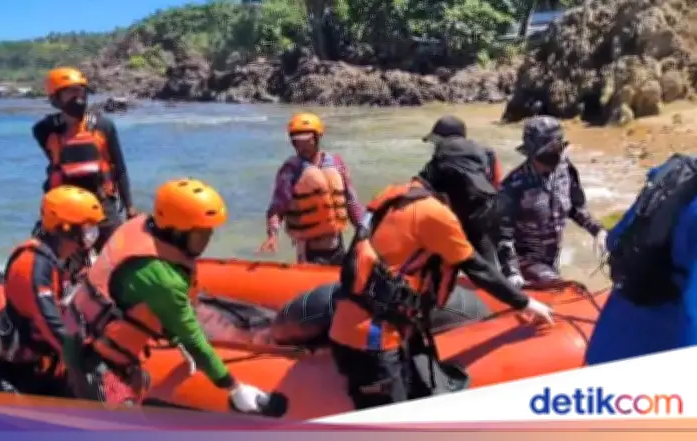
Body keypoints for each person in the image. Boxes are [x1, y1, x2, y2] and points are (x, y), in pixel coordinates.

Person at [328, 175, 554, 410]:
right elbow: (476, 267)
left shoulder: (399, 198)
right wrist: (526, 303)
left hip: (359, 330)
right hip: (373, 342)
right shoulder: (436, 214)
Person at [64, 178, 272, 413]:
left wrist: (173, 338)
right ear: (177, 231)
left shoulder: (140, 226)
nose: (209, 238)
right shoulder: (162, 280)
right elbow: (193, 338)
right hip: (95, 360)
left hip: (83, 338)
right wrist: (234, 387)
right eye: (202, 232)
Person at [0, 186, 105, 395]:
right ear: (65, 229)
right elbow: (52, 327)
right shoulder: (33, 266)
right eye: (86, 232)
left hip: (32, 363)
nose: (88, 242)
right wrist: (85, 361)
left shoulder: (62, 259)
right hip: (1, 368)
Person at [586, 154, 697, 364]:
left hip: (607, 343)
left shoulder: (674, 174)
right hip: (657, 360)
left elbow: (614, 241)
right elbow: (693, 315)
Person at [32, 67, 138, 252]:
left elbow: (119, 167)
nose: (78, 97)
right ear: (56, 99)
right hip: (65, 206)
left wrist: (129, 206)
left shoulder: (104, 126)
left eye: (81, 91)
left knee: (116, 255)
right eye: (70, 92)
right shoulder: (44, 130)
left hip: (102, 203)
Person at [495, 116, 607, 288]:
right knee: (559, 288)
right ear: (532, 154)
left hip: (551, 263)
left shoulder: (565, 171)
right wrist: (512, 274)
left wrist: (598, 231)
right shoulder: (513, 186)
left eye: (557, 151)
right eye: (547, 155)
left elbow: (575, 208)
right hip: (524, 264)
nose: (553, 160)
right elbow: (503, 237)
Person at [258, 112, 366, 265]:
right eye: (297, 142)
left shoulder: (336, 163)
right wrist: (272, 235)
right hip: (308, 249)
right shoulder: (290, 171)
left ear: (317, 138)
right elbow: (276, 209)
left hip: (337, 245)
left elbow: (351, 201)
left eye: (307, 141)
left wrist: (364, 229)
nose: (302, 147)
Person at [419, 115, 504, 265]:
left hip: (451, 226)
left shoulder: (439, 159)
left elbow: (423, 191)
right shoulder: (487, 154)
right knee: (490, 268)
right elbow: (497, 186)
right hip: (486, 217)